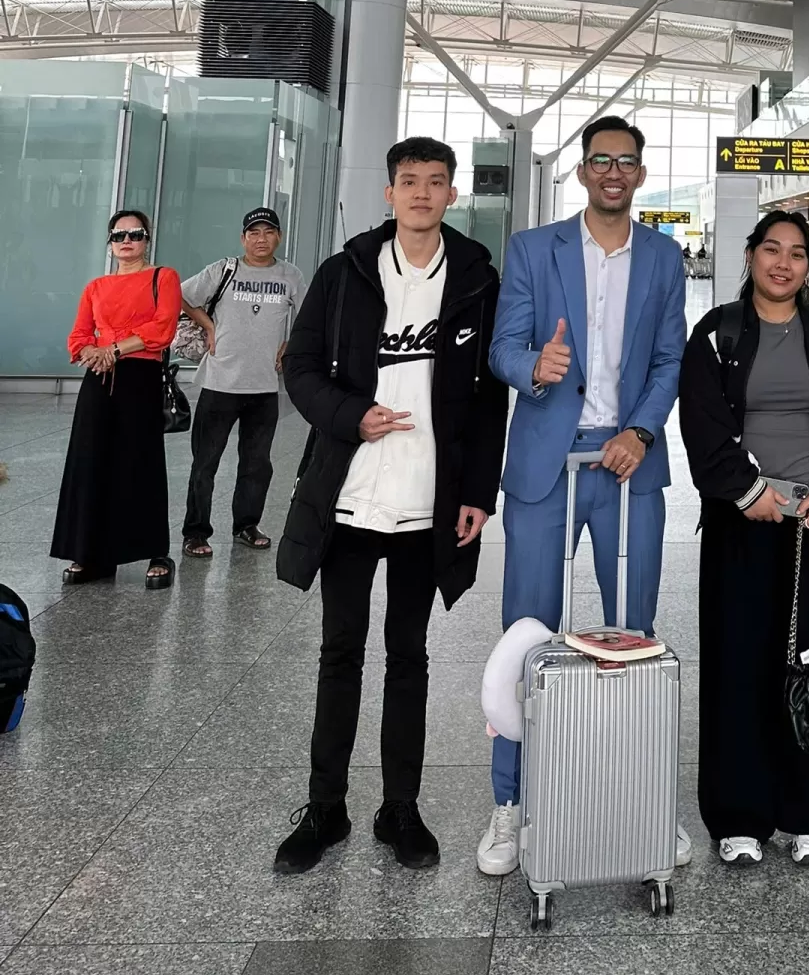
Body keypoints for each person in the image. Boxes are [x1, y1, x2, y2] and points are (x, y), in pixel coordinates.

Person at [272, 137, 508, 875]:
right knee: (339, 653)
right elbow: (300, 368)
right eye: (409, 181)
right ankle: (326, 807)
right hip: (350, 498)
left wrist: (478, 494)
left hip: (425, 505)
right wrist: (351, 416)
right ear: (389, 192)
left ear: (451, 194)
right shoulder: (345, 272)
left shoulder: (475, 278)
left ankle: (400, 809)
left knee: (409, 656)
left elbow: (488, 397)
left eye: (436, 182)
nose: (422, 193)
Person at [477, 115, 689, 877]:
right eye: (601, 160)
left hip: (628, 465)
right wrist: (535, 366)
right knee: (527, 635)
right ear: (582, 170)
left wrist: (641, 430)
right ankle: (511, 804)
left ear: (640, 174)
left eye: (626, 162)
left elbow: (669, 359)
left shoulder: (663, 257)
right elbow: (502, 348)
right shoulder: (535, 249)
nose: (613, 172)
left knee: (634, 636)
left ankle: (639, 800)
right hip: (547, 463)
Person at [679, 210, 809, 868]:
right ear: (750, 255)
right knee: (737, 664)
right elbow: (701, 422)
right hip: (740, 523)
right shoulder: (718, 333)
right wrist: (746, 489)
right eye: (771, 250)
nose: (782, 263)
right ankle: (740, 815)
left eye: (796, 253)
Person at [50, 208, 181, 591]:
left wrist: (115, 349)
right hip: (98, 378)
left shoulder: (163, 277)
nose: (127, 241)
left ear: (147, 240)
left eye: (135, 234)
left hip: (139, 377)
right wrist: (93, 351)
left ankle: (156, 552)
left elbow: (163, 327)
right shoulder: (95, 287)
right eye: (119, 235)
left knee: (140, 461)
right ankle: (93, 554)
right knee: (90, 460)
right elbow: (78, 336)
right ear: (109, 244)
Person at [179, 206, 307, 560]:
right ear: (243, 238)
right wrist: (208, 325)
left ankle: (246, 525)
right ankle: (195, 532)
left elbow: (312, 315)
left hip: (263, 387)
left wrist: (291, 343)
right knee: (205, 463)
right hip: (219, 383)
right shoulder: (223, 270)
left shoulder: (290, 275)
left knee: (256, 463)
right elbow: (181, 296)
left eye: (268, 232)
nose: (261, 239)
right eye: (254, 232)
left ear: (279, 237)